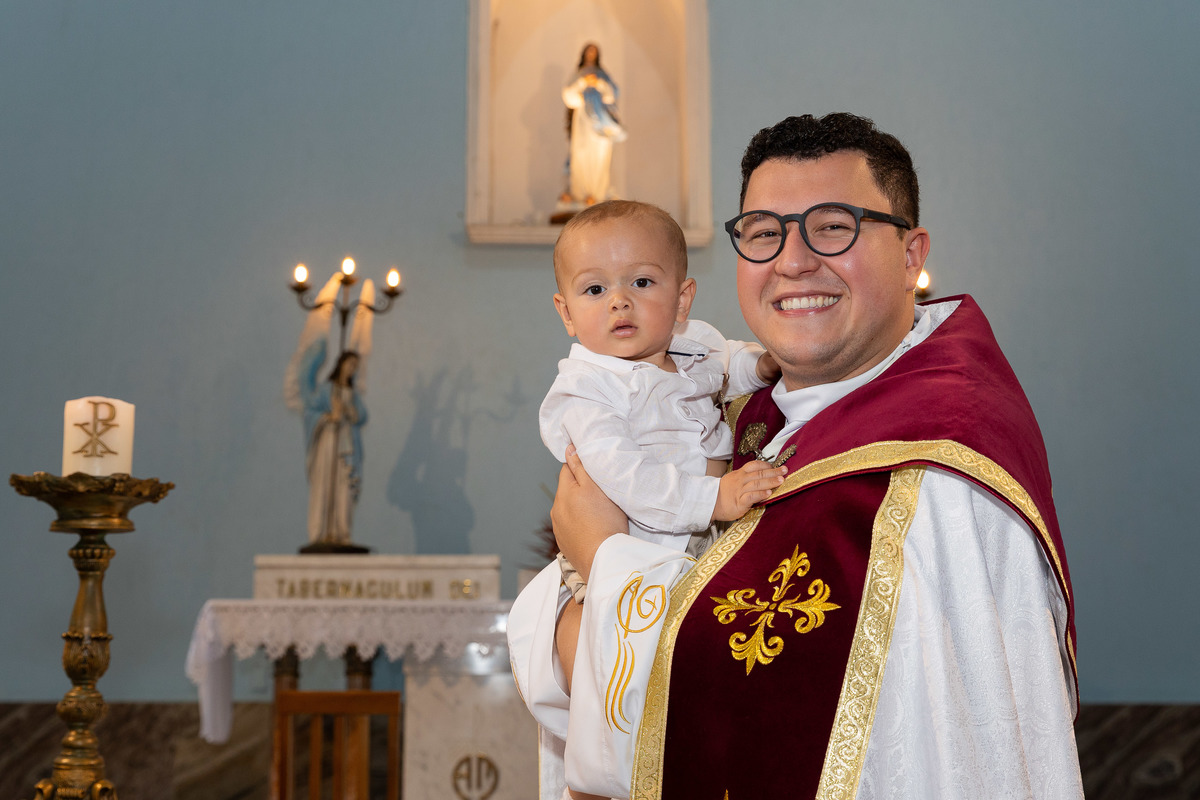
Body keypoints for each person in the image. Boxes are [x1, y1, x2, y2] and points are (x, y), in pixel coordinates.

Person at [509, 113, 1083, 799]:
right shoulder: (762, 418)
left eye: (834, 226)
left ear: (911, 255)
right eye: (763, 234)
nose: (792, 261)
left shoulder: (938, 469)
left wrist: (606, 558)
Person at [516, 199, 788, 799]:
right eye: (594, 289)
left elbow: (732, 365)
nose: (620, 301)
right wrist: (714, 497)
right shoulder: (587, 391)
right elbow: (627, 478)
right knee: (620, 699)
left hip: (687, 556)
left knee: (683, 700)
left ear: (683, 298)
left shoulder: (694, 345)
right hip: (624, 557)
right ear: (565, 312)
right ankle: (603, 780)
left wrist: (766, 362)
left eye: (642, 282)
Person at [561, 43, 627, 206]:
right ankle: (581, 193)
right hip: (583, 120)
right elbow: (569, 96)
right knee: (581, 155)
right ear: (583, 54)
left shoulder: (602, 75)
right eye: (589, 52)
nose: (591, 55)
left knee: (600, 156)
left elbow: (612, 94)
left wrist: (598, 83)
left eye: (594, 52)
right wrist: (583, 82)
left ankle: (597, 194)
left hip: (600, 120)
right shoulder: (578, 75)